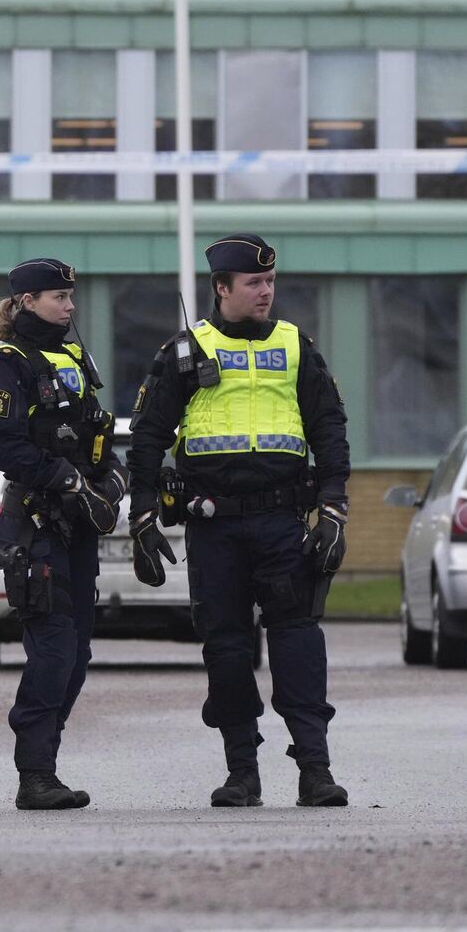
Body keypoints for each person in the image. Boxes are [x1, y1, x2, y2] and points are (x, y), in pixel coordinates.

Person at [124, 233, 353, 808]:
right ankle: (241, 772)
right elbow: (148, 436)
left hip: (283, 522)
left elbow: (329, 428)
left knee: (298, 643)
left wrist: (332, 506)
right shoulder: (183, 351)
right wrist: (143, 517)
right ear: (221, 288)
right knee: (226, 650)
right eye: (253, 283)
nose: (266, 292)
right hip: (214, 526)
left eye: (271, 282)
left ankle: (315, 771)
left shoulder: (296, 345)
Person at [0, 257, 127, 811]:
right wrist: (66, 479)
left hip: (76, 528)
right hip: (36, 524)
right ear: (26, 302)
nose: (70, 307)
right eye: (58, 298)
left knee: (77, 654)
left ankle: (47, 764)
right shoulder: (8, 361)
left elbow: (92, 432)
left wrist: (111, 473)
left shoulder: (71, 356)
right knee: (53, 650)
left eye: (70, 297)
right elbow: (6, 448)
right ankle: (35, 775)